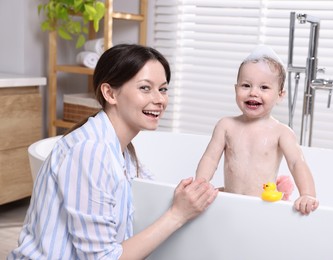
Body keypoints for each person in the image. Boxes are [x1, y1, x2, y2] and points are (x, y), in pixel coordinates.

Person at [8, 44, 218, 259]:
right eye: (145, 88)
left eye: (163, 89)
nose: (160, 99)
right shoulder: (90, 151)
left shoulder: (123, 150)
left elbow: (157, 194)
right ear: (110, 93)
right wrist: (177, 215)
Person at [195, 45, 318, 215]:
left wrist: (308, 194)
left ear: (280, 95)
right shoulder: (226, 126)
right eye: (246, 85)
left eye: (264, 87)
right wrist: (200, 184)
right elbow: (210, 158)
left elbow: (297, 163)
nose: (253, 92)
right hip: (232, 203)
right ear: (235, 89)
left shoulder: (281, 132)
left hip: (263, 207)